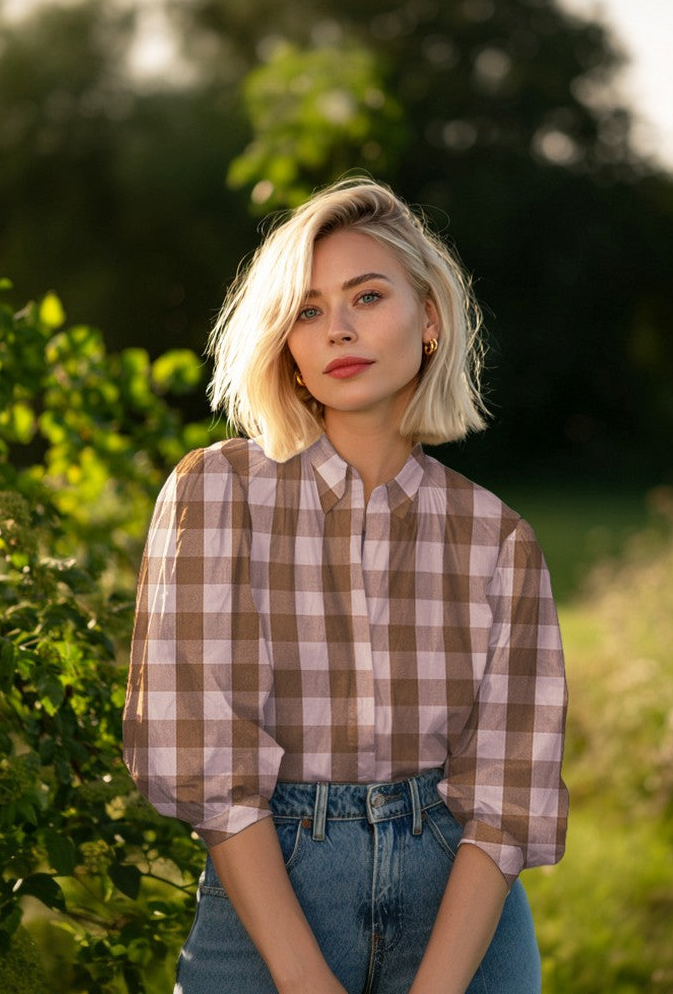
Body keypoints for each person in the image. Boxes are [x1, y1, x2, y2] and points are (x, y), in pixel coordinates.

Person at [123, 178, 568, 994]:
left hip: (462, 921)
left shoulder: (499, 540)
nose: (340, 329)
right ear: (285, 340)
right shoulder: (215, 496)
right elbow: (210, 769)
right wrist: (304, 980)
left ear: (429, 319)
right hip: (266, 914)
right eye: (308, 308)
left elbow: (507, 797)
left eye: (367, 296)